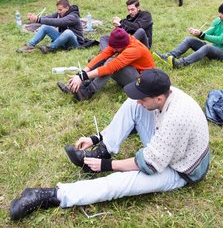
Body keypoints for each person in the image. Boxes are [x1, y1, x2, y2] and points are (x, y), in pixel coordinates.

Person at [10, 68, 210, 221]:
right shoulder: (165, 94)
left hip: (181, 169)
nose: (140, 102)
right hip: (172, 146)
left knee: (122, 183)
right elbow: (142, 113)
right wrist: (96, 138)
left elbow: (150, 164)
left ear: (158, 98)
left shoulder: (176, 118)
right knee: (132, 104)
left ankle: (51, 195)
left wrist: (108, 166)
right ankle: (102, 150)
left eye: (143, 99)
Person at [57, 27, 155, 101]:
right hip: (133, 72)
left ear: (121, 45)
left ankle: (87, 92)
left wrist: (82, 77)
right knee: (107, 60)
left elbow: (109, 68)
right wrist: (81, 73)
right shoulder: (123, 42)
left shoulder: (134, 50)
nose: (113, 49)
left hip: (141, 81)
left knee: (110, 63)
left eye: (115, 48)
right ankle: (78, 86)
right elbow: (102, 56)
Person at [153, 2, 223, 68]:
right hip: (213, 49)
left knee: (207, 47)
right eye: (219, 12)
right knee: (189, 40)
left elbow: (221, 40)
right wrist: (197, 33)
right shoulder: (218, 21)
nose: (219, 15)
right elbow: (207, 33)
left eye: (222, 13)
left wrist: (202, 35)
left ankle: (180, 63)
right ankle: (168, 56)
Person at [16, 0, 85, 54]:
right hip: (63, 41)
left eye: (60, 10)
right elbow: (49, 17)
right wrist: (36, 18)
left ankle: (49, 48)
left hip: (75, 44)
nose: (58, 12)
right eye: (58, 9)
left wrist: (38, 19)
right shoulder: (60, 13)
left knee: (68, 32)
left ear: (67, 8)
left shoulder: (73, 16)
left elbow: (60, 22)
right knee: (45, 27)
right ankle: (29, 46)